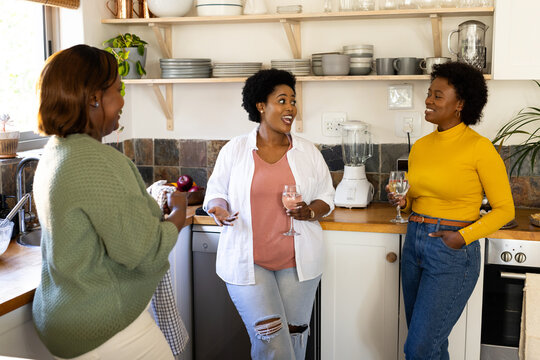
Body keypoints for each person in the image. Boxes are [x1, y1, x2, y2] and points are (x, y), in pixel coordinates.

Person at [32, 44, 188, 360]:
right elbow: (143, 250)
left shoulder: (55, 151)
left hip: (60, 319)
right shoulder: (97, 161)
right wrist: (179, 214)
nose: (121, 102)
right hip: (102, 327)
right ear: (93, 98)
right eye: (118, 90)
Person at [203, 69, 335, 359]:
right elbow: (215, 193)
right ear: (261, 105)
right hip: (247, 262)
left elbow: (326, 196)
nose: (291, 108)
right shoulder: (235, 149)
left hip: (297, 264)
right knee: (271, 338)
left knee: (294, 336)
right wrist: (218, 209)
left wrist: (310, 211)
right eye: (282, 100)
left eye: (293, 101)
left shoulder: (308, 151)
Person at [387, 61, 515, 359]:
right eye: (429, 93)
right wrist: (402, 203)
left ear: (460, 104)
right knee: (432, 345)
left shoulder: (479, 148)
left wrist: (464, 237)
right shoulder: (420, 146)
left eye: (438, 95)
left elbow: (505, 209)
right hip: (415, 241)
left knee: (418, 348)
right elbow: (416, 198)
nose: (429, 100)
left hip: (451, 250)